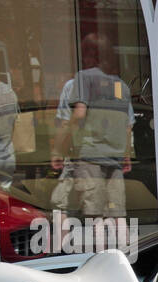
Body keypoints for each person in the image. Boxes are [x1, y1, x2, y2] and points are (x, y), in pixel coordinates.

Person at [51, 33, 134, 221]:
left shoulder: (79, 81)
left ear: (88, 54)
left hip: (89, 155)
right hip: (115, 156)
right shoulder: (120, 85)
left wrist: (59, 148)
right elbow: (127, 126)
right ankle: (124, 250)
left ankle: (90, 250)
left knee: (88, 213)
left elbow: (75, 115)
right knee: (117, 215)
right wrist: (126, 155)